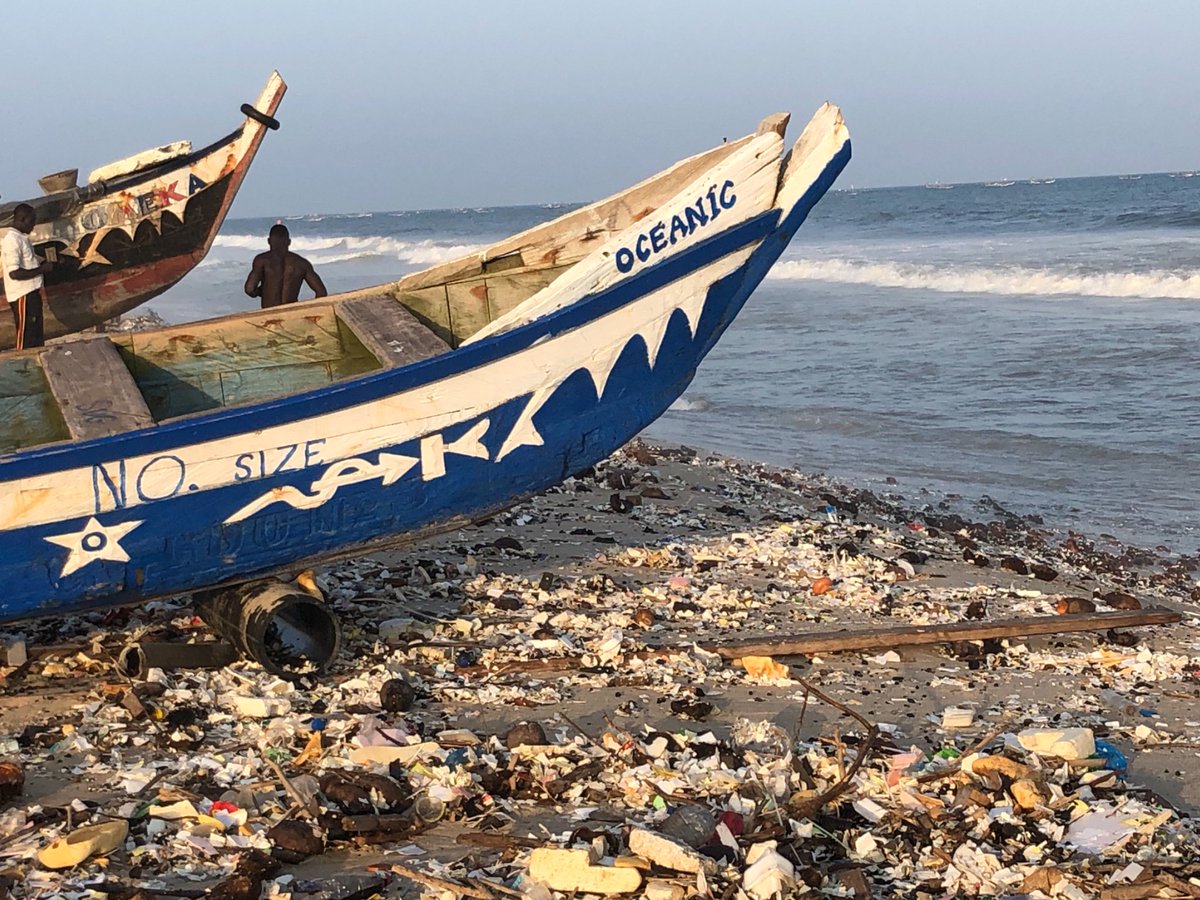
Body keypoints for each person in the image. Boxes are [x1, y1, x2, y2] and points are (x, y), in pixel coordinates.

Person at [1, 203, 52, 350]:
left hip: (32, 292)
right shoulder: (12, 240)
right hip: (22, 294)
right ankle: (23, 361)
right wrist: (41, 269)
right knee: (26, 336)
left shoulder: (22, 238)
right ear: (22, 219)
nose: (33, 225)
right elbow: (14, 273)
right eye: (32, 221)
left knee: (36, 335)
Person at [244, 223, 328, 308]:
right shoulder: (302, 263)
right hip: (292, 312)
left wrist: (263, 292)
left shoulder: (262, 260)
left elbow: (250, 289)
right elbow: (321, 292)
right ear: (289, 242)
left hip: (270, 312)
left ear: (269, 241)